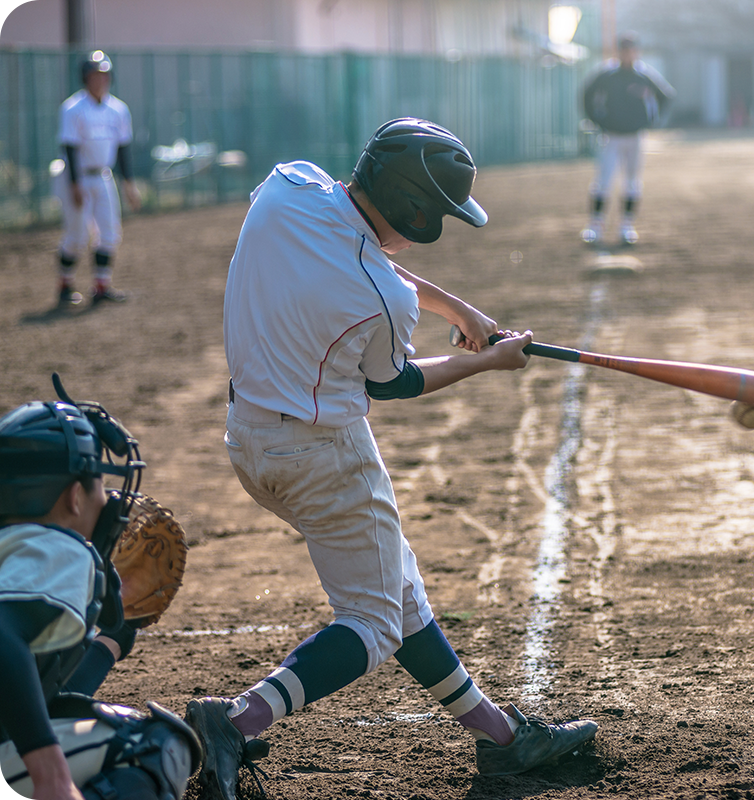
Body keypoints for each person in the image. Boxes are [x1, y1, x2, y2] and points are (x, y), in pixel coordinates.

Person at [186, 117, 598, 800]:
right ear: (412, 207)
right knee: (373, 623)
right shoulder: (384, 299)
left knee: (396, 590)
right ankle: (235, 719)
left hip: (247, 439)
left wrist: (453, 305)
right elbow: (395, 381)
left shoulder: (290, 184)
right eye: (435, 210)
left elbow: (352, 244)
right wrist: (491, 360)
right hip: (325, 459)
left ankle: (501, 738)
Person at [0, 381, 201, 800]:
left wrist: (110, 638)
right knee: (152, 746)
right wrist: (50, 775)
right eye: (98, 483)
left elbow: (33, 696)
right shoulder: (57, 547)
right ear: (75, 496)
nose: (109, 497)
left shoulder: (15, 547)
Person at [55, 50, 141, 309]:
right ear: (85, 78)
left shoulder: (118, 109)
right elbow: (69, 147)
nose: (100, 80)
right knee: (78, 235)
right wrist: (74, 185)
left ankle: (101, 287)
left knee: (110, 232)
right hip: (77, 176)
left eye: (104, 75)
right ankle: (64, 285)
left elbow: (124, 148)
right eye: (95, 75)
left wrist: (128, 183)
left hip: (104, 176)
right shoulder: (73, 108)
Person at [580, 32, 674, 246]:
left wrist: (651, 121)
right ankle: (595, 226)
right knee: (603, 182)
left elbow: (666, 96)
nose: (628, 54)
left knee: (632, 182)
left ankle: (626, 226)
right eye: (624, 50)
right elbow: (587, 94)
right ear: (618, 52)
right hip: (611, 136)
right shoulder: (608, 74)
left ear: (636, 52)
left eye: (631, 50)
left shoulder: (643, 75)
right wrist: (597, 120)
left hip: (635, 136)